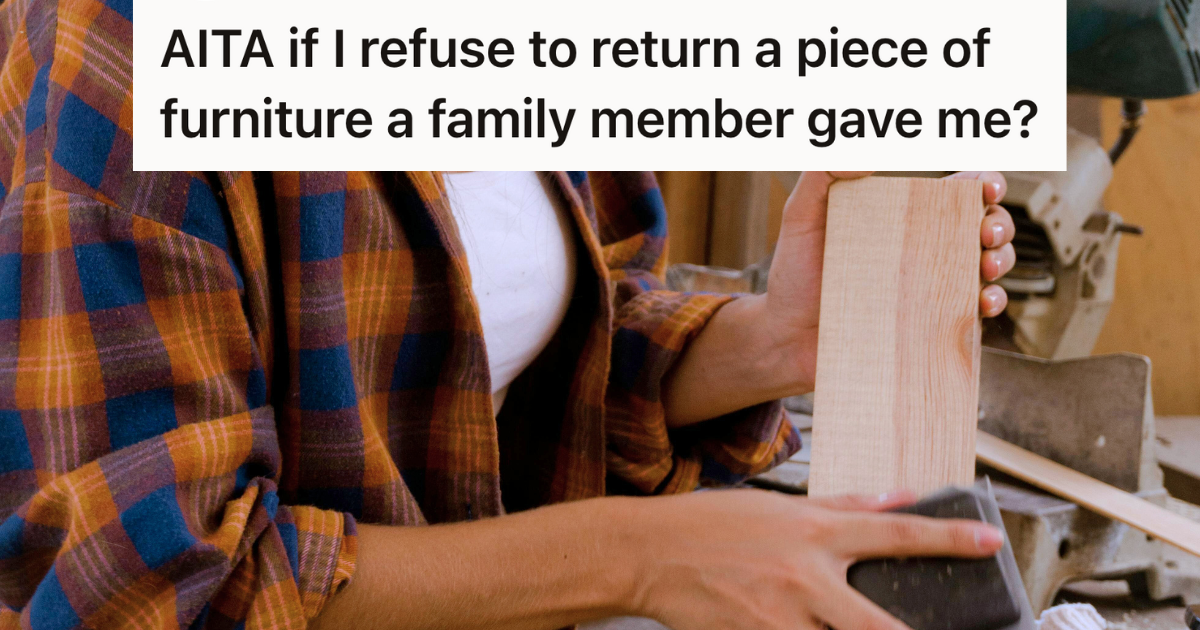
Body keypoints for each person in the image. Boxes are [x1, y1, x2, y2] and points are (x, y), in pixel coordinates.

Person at [0, 3, 1017, 630]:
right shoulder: (127, 41)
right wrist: (645, 558)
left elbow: (515, 372)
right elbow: (143, 589)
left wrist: (769, 340)